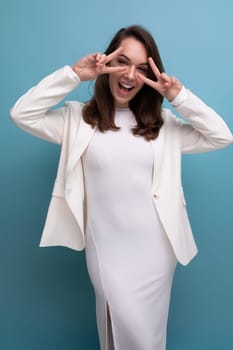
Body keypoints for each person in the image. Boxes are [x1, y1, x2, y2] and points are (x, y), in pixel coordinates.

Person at [10, 25, 233, 350]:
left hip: (157, 251)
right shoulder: (76, 120)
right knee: (120, 329)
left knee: (149, 339)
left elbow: (221, 135)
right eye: (123, 62)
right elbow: (21, 113)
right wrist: (74, 75)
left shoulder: (166, 126)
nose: (129, 75)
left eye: (142, 69)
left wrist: (178, 97)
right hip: (107, 249)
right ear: (107, 63)